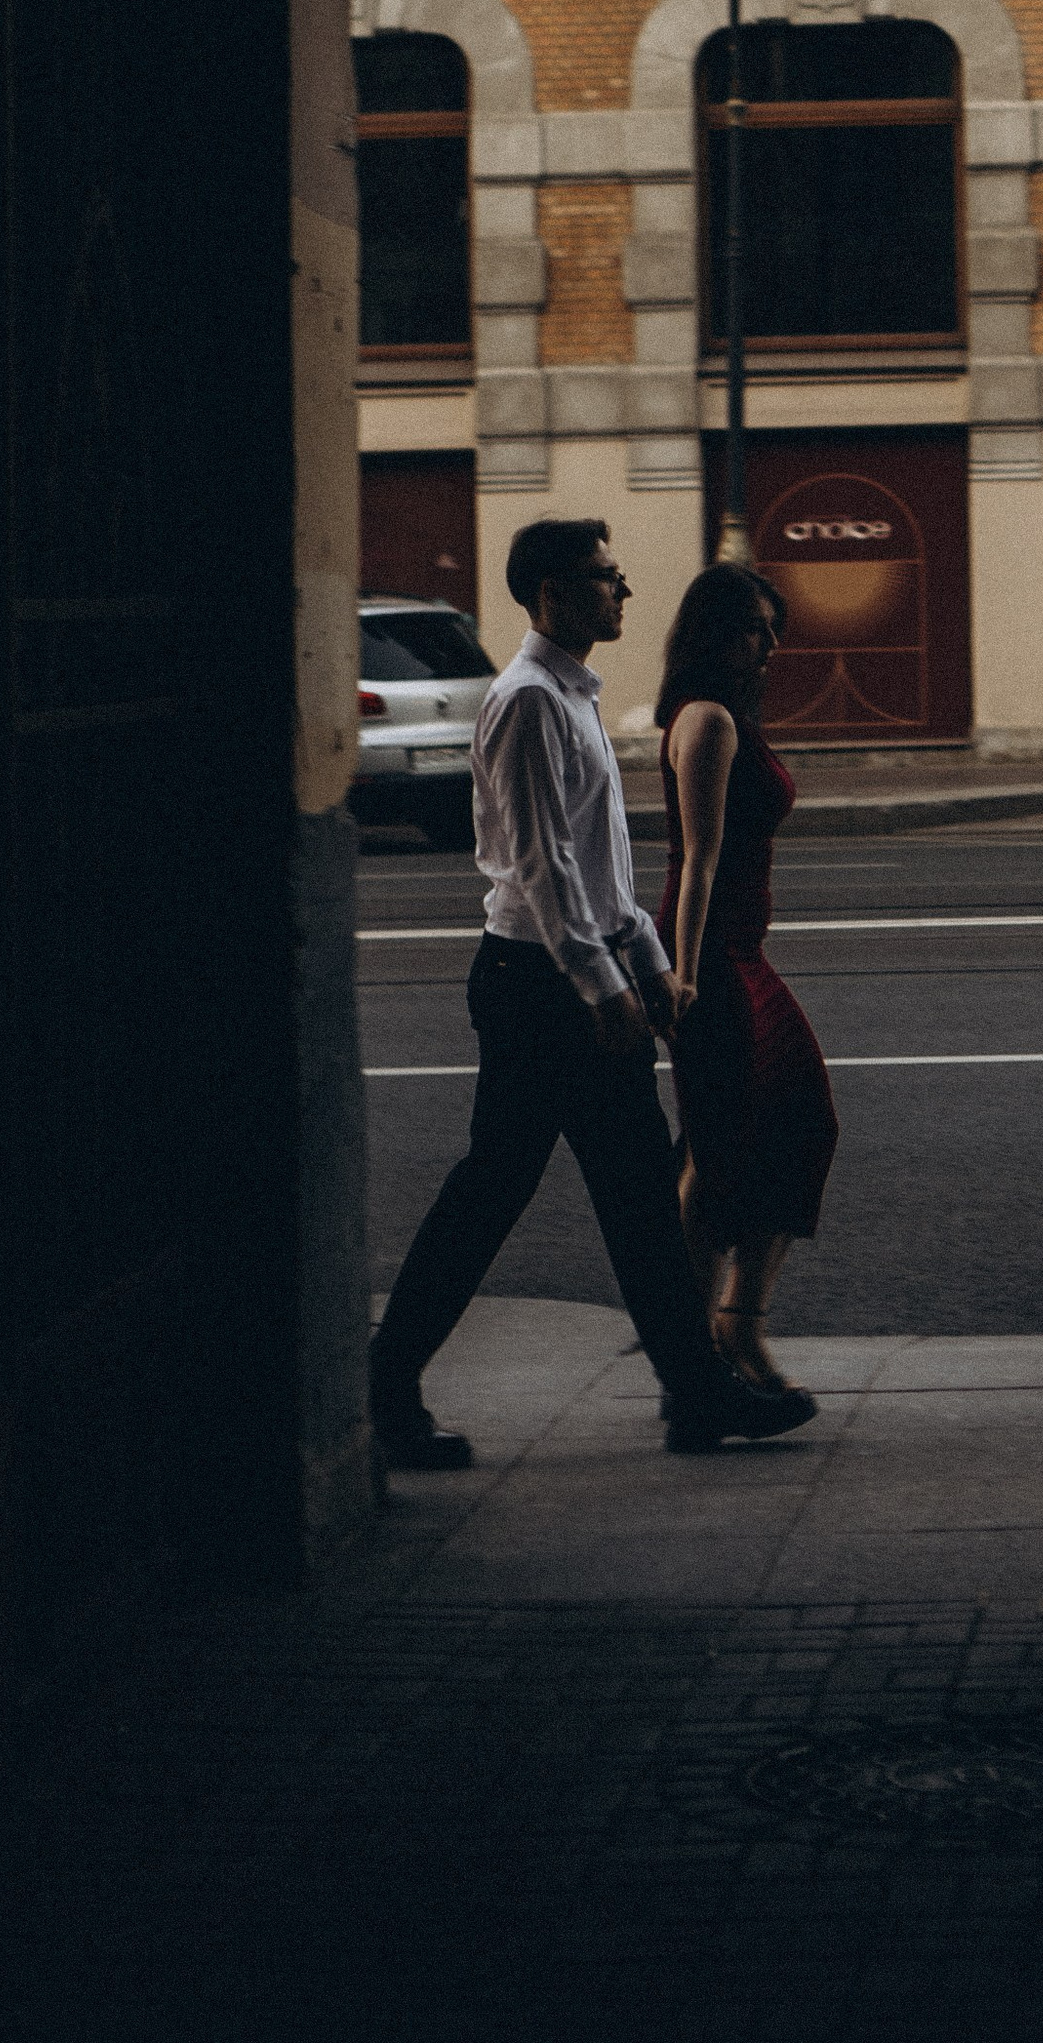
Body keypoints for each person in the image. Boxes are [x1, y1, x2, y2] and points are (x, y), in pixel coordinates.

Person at [366, 518, 818, 1466]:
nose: (623, 592)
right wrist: (605, 988)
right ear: (552, 593)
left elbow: (604, 868)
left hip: (562, 981)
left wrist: (649, 965)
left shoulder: (573, 696)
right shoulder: (529, 701)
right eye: (605, 577)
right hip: (540, 989)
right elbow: (544, 866)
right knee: (507, 1194)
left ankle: (695, 1393)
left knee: (626, 1196)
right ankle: (387, 1389)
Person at [655, 565, 840, 1399]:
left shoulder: (729, 715)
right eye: (754, 628)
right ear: (714, 632)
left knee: (790, 1123)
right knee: (716, 1154)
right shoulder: (708, 719)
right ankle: (695, 1362)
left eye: (774, 629)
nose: (769, 645)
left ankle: (731, 1329)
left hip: (740, 952)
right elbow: (697, 859)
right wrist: (685, 978)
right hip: (715, 958)